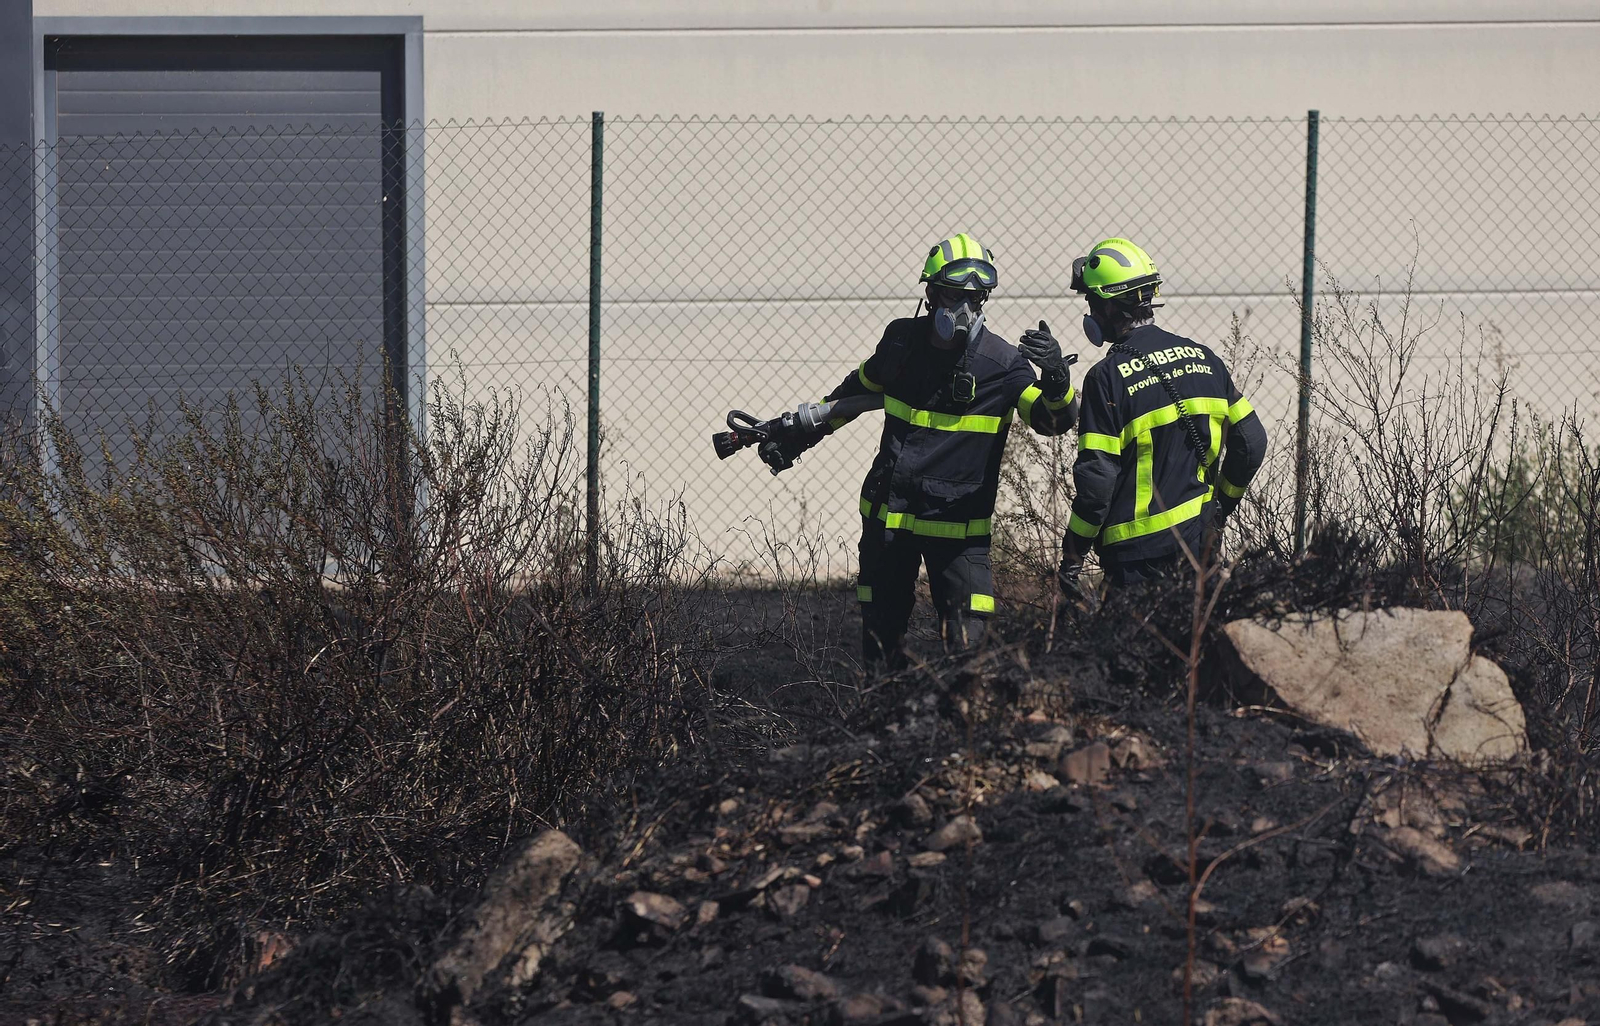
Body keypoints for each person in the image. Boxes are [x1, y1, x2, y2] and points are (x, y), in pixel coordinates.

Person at [778, 233, 1079, 669]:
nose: (965, 308)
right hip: (887, 525)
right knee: (881, 653)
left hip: (958, 536)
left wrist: (1056, 380)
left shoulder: (1003, 364)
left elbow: (1054, 422)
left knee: (969, 657)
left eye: (976, 297)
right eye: (955, 295)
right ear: (931, 293)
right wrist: (797, 436)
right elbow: (854, 394)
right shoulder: (901, 341)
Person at [1051, 237, 1268, 591]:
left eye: (1091, 300)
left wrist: (1073, 555)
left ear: (1108, 306)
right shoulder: (1205, 358)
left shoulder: (1106, 378)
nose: (1090, 312)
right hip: (1200, 549)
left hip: (1137, 563)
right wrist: (1220, 508)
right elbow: (1252, 442)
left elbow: (1097, 484)